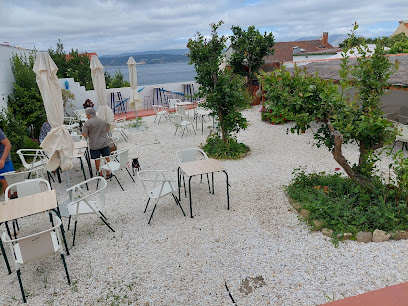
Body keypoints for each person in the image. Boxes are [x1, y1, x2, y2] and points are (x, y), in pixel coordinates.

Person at [81, 108, 111, 177]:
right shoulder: (103, 120)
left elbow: (84, 134)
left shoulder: (87, 123)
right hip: (104, 142)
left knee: (97, 159)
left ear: (88, 114)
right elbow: (107, 130)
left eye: (86, 115)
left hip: (94, 144)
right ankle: (108, 172)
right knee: (107, 157)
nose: (86, 116)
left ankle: (100, 174)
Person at [0, 128, 14, 195]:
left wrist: (2, 160)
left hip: (3, 160)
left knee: (7, 182)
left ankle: (9, 201)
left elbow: (8, 145)